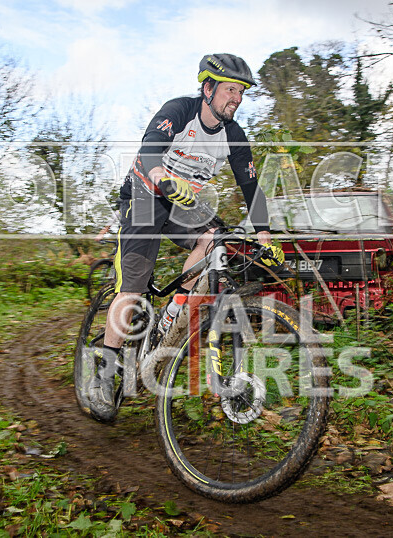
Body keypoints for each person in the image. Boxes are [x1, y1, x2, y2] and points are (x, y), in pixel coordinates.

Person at [90, 53, 283, 421]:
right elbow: (149, 148)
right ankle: (104, 375)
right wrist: (161, 174)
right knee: (131, 290)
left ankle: (172, 311)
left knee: (215, 240)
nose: (236, 99)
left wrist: (265, 237)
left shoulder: (233, 135)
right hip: (146, 196)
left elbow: (252, 189)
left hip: (184, 203)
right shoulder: (179, 110)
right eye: (230, 90)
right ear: (208, 88)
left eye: (241, 93)